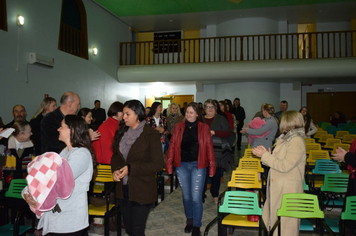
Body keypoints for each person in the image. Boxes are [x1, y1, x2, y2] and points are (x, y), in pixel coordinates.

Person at [24, 115, 94, 236]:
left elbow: (57, 179)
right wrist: (27, 192)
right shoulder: (64, 152)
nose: (58, 129)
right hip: (59, 219)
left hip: (70, 221)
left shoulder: (82, 154)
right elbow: (46, 176)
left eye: (61, 126)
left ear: (72, 130)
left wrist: (32, 192)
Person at [111, 100, 163, 236]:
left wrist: (131, 168)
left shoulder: (151, 135)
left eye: (128, 114)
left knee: (136, 231)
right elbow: (116, 156)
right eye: (124, 114)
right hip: (124, 189)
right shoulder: (122, 132)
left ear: (138, 114)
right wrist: (116, 169)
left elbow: (157, 164)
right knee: (129, 229)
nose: (124, 117)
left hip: (142, 189)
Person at [252, 110, 306, 236]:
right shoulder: (285, 139)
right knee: (275, 225)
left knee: (286, 228)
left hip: (287, 190)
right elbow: (278, 161)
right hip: (280, 188)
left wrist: (265, 156)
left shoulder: (296, 141)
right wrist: (266, 155)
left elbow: (285, 165)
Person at [166, 102, 216, 236]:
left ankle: (196, 225)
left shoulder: (204, 128)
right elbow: (172, 146)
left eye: (191, 112)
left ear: (197, 114)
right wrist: (169, 163)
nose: (188, 115)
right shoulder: (178, 127)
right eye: (187, 112)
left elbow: (209, 148)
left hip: (198, 165)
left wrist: (212, 165)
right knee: (186, 196)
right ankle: (189, 220)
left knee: (196, 197)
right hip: (181, 165)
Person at [202, 99, 234, 204]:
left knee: (216, 175)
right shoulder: (200, 120)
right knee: (202, 174)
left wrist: (214, 132)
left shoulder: (221, 119)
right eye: (208, 107)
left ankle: (215, 194)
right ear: (204, 109)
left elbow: (228, 133)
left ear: (215, 109)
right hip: (203, 152)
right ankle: (201, 195)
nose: (210, 109)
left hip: (218, 153)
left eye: (212, 107)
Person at [331, 138, 356, 236]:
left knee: (349, 221)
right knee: (348, 221)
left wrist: (347, 156)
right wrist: (345, 158)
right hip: (353, 181)